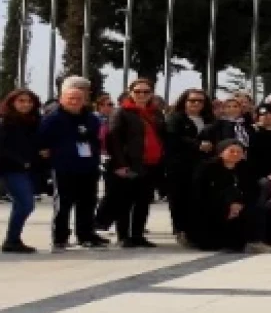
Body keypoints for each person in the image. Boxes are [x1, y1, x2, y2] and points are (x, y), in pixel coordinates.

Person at [40, 81, 107, 251]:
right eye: (71, 98)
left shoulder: (91, 118)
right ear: (62, 99)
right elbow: (42, 141)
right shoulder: (53, 119)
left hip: (88, 167)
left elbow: (96, 139)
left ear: (85, 100)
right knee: (63, 204)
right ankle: (60, 238)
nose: (75, 101)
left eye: (79, 98)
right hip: (63, 168)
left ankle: (85, 235)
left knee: (88, 202)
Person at [105, 78, 167, 248]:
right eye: (137, 91)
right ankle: (124, 236)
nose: (142, 95)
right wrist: (120, 164)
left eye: (146, 92)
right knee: (125, 201)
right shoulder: (121, 112)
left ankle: (138, 235)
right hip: (130, 164)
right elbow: (114, 140)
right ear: (130, 92)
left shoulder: (156, 113)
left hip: (151, 164)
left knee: (143, 201)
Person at [188, 140, 271, 253]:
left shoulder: (245, 167)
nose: (235, 154)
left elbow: (253, 190)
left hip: (239, 206)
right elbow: (202, 193)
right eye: (231, 151)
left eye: (239, 152)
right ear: (221, 152)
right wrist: (227, 204)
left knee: (257, 209)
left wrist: (240, 204)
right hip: (213, 208)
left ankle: (254, 241)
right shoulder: (207, 168)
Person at [165, 89, 212, 247]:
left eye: (200, 101)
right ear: (184, 102)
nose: (196, 103)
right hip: (180, 166)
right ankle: (180, 231)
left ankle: (196, 232)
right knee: (179, 199)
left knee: (197, 199)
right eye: (192, 100)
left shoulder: (208, 119)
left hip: (203, 165)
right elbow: (173, 138)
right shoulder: (175, 118)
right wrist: (197, 145)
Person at [0, 89, 42, 253]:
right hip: (10, 168)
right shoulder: (5, 122)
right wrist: (21, 161)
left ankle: (13, 240)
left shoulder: (33, 121)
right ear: (12, 103)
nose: (26, 105)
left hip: (27, 169)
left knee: (21, 204)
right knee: (26, 204)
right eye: (21, 101)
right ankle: (12, 240)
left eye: (29, 101)